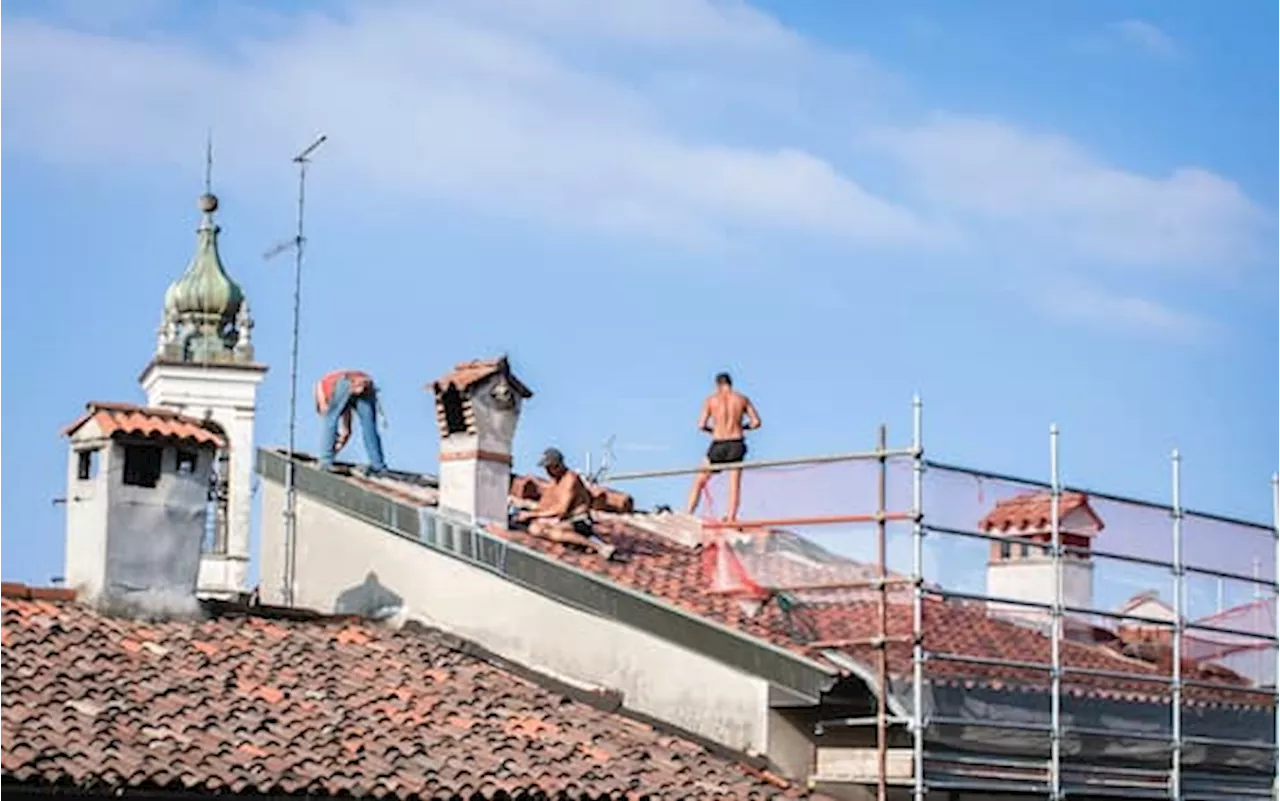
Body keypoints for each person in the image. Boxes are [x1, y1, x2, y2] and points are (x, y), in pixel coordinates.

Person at [512, 448, 618, 560]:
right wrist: (526, 511)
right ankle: (577, 543)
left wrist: (531, 515)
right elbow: (544, 506)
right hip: (562, 519)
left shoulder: (570, 479)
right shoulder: (554, 482)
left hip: (579, 520)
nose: (547, 472)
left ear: (558, 465)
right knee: (535, 528)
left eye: (550, 468)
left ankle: (599, 546)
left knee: (553, 532)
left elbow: (561, 509)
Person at [686, 372, 761, 523]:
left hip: (719, 442)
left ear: (718, 385)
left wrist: (713, 430)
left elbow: (701, 425)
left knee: (699, 479)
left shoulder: (711, 400)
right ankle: (731, 517)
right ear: (730, 384)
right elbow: (756, 422)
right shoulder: (741, 399)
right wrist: (743, 427)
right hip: (736, 442)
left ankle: (688, 512)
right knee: (734, 484)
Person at [314, 368, 388, 476]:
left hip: (345, 381)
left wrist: (330, 452)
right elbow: (346, 431)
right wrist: (337, 447)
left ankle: (325, 461)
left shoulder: (323, 390)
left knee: (329, 419)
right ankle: (378, 466)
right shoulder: (343, 400)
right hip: (365, 382)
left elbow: (326, 413)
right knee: (369, 426)